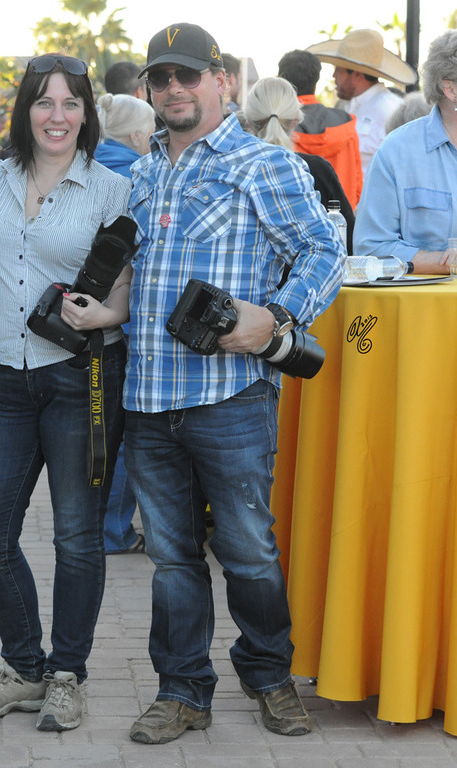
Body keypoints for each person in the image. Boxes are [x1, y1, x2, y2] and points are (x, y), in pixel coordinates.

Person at [123, 23, 343, 745]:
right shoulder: (143, 171)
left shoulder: (262, 164)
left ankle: (269, 674)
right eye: (162, 78)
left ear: (222, 83)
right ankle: (183, 690)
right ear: (149, 90)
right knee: (173, 559)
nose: (175, 89)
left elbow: (322, 250)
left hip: (231, 398)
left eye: (189, 75)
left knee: (248, 551)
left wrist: (276, 316)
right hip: (149, 398)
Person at [0, 53, 131, 732]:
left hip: (80, 375)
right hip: (3, 375)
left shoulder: (112, 189)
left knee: (77, 536)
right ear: (23, 110)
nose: (57, 116)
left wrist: (106, 316)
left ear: (87, 114)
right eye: (44, 102)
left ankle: (67, 675)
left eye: (70, 104)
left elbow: (127, 288)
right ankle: (25, 667)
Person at [94, 91, 155, 554]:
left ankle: (104, 526)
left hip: (91, 321)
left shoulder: (91, 169)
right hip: (130, 319)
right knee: (130, 436)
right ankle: (113, 529)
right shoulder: (135, 177)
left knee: (103, 432)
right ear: (137, 134)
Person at [353, 30, 457, 274]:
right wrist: (445, 262)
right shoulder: (396, 151)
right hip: (421, 309)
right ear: (451, 90)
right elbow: (369, 248)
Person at [243, 77, 355, 254]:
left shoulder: (232, 171)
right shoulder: (317, 170)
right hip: (313, 279)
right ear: (296, 119)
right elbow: (349, 241)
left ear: (248, 121)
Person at [306, 29, 416, 174]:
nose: (334, 75)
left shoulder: (391, 109)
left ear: (356, 73)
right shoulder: (346, 106)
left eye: (338, 69)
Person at [277, 49, 362, 208]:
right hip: (341, 221)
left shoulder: (279, 125)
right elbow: (357, 185)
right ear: (316, 82)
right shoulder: (345, 122)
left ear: (282, 81)